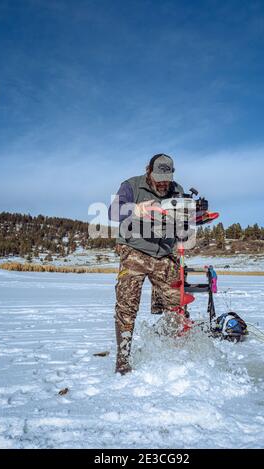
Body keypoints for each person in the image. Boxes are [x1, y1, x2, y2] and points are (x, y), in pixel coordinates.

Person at [108, 153, 185, 375]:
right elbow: (114, 211)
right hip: (135, 250)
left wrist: (195, 216)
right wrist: (138, 209)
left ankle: (171, 352)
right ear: (148, 171)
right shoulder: (131, 186)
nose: (163, 182)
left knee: (177, 306)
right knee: (127, 306)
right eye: (159, 176)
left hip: (164, 253)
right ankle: (123, 360)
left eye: (167, 177)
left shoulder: (177, 190)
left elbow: (184, 220)